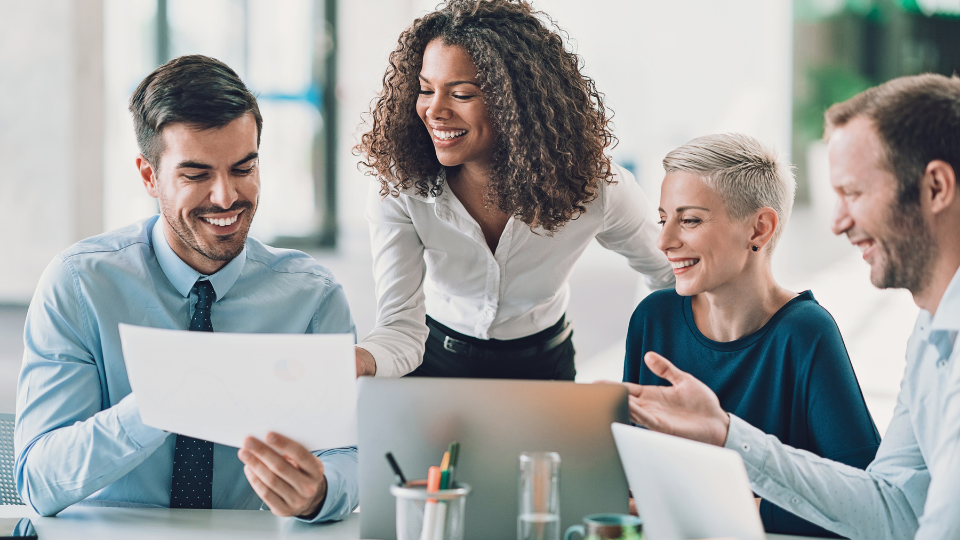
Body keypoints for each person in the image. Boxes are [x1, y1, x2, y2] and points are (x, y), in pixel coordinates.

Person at [14, 55, 358, 521]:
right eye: (196, 175)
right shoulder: (79, 285)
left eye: (243, 168)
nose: (226, 197)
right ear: (148, 176)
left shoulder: (312, 298)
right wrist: (162, 402)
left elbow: (350, 456)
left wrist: (320, 492)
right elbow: (38, 480)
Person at [624, 73, 960, 540]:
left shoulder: (807, 330)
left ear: (937, 188)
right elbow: (892, 511)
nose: (838, 222)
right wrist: (725, 432)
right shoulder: (930, 337)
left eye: (855, 193)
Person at [353, 0, 674, 379]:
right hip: (434, 357)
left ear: (515, 102)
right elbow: (399, 330)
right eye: (426, 90)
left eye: (461, 94)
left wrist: (648, 357)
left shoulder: (594, 186)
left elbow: (668, 275)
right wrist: (359, 362)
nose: (434, 111)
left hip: (543, 365)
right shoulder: (402, 187)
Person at [623, 133, 879, 537]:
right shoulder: (653, 318)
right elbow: (628, 479)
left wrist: (709, 507)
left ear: (759, 229)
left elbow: (866, 507)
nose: (664, 241)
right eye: (663, 218)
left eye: (689, 220)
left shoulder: (806, 334)